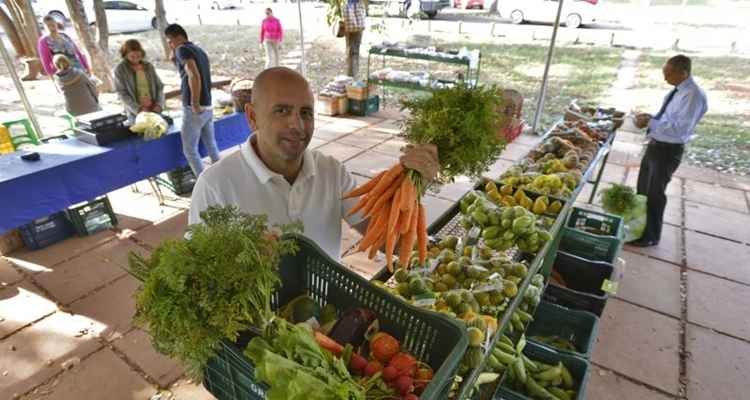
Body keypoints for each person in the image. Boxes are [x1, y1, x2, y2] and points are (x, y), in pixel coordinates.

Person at [188, 67, 440, 260]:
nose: (297, 125)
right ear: (253, 117)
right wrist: (243, 259)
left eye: (306, 113)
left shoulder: (331, 172)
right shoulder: (215, 185)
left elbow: (390, 242)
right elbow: (196, 271)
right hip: (255, 322)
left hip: (329, 318)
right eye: (282, 111)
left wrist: (412, 189)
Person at [631, 54, 707, 247]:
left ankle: (650, 235)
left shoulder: (692, 95)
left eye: (669, 74)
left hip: (667, 150)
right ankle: (638, 228)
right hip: (656, 145)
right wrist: (650, 118)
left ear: (683, 73)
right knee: (643, 190)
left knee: (655, 193)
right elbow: (668, 119)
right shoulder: (678, 91)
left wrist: (650, 122)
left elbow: (680, 129)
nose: (665, 78)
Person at [165, 24, 220, 177]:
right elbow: (186, 71)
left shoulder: (181, 49)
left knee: (189, 150)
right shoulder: (199, 50)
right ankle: (223, 176)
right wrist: (173, 57)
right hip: (208, 104)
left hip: (194, 107)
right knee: (211, 145)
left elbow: (193, 74)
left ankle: (204, 183)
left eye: (169, 41)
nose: (169, 45)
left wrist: (194, 103)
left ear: (176, 37)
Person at [113, 39, 166, 123]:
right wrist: (138, 109)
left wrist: (159, 104)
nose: (136, 59)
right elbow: (122, 93)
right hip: (135, 113)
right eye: (132, 57)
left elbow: (159, 86)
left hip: (154, 108)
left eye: (138, 56)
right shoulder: (120, 70)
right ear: (125, 55)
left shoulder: (148, 66)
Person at [342, 0, 366, 78]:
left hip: (353, 21)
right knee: (353, 52)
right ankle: (352, 75)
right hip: (353, 20)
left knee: (352, 51)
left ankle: (353, 75)